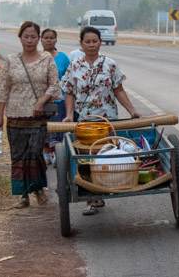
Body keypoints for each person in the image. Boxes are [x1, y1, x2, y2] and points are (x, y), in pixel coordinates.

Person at [61, 26, 140, 215]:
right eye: (87, 41)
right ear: (81, 44)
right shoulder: (75, 65)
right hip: (85, 122)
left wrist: (132, 110)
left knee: (105, 155)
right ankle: (92, 198)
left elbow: (118, 90)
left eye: (94, 41)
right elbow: (70, 92)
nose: (91, 45)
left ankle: (108, 186)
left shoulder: (110, 64)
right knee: (87, 158)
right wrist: (70, 115)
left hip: (107, 119)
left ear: (100, 42)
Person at [0, 21, 61, 209]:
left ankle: (38, 190)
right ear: (20, 38)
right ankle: (22, 195)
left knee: (34, 154)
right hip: (15, 117)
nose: (30, 40)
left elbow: (55, 85)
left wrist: (41, 101)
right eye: (26, 36)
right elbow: (2, 89)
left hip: (37, 118)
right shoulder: (11, 60)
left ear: (38, 39)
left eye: (33, 36)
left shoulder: (46, 59)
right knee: (18, 156)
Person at [40, 28, 70, 165]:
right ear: (41, 39)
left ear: (56, 40)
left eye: (52, 37)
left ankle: (58, 152)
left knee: (58, 127)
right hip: (41, 100)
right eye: (46, 37)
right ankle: (46, 150)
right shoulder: (36, 57)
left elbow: (70, 79)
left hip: (59, 99)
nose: (49, 40)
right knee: (43, 127)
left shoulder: (63, 57)